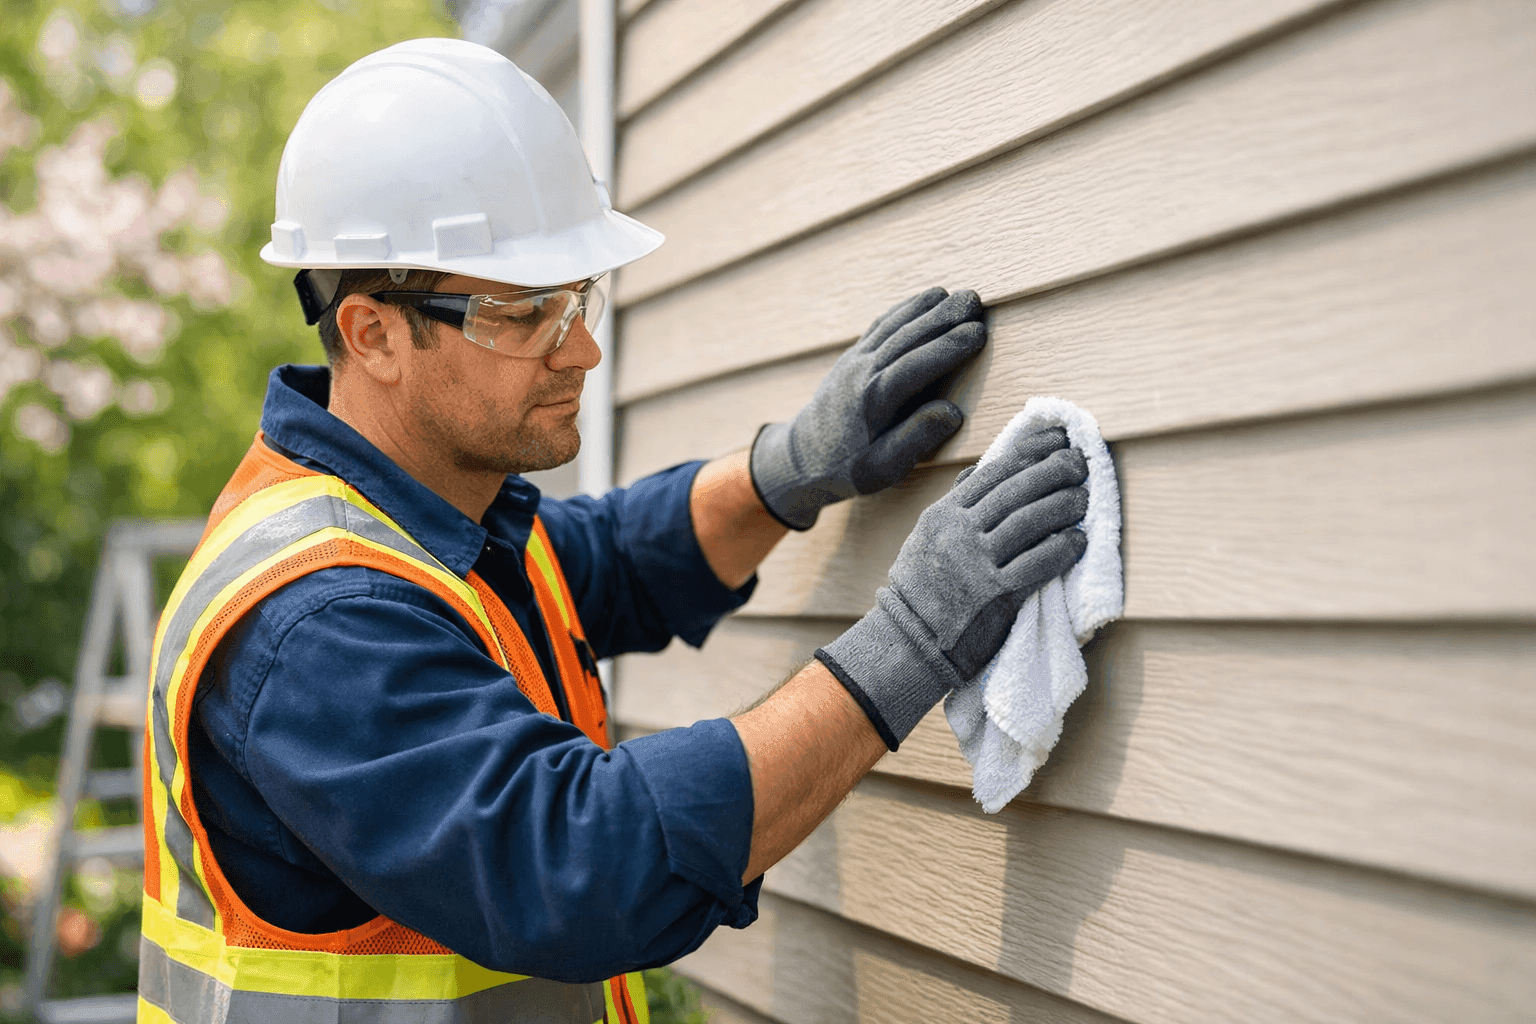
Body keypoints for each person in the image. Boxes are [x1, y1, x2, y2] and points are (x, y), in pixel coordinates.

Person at [136, 39, 1089, 1023]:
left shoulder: (428, 522)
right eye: (524, 314)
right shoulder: (319, 623)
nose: (582, 348)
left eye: (578, 299)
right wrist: (913, 642)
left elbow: (612, 557)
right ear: (375, 334)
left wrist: (787, 469)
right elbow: (579, 865)